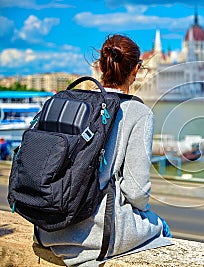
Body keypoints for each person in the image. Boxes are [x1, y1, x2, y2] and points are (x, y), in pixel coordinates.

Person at [35, 34, 172, 266]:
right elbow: (136, 193)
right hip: (93, 235)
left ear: (100, 65)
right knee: (162, 227)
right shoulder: (138, 113)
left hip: (46, 225)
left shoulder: (69, 102)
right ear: (136, 70)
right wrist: (144, 213)